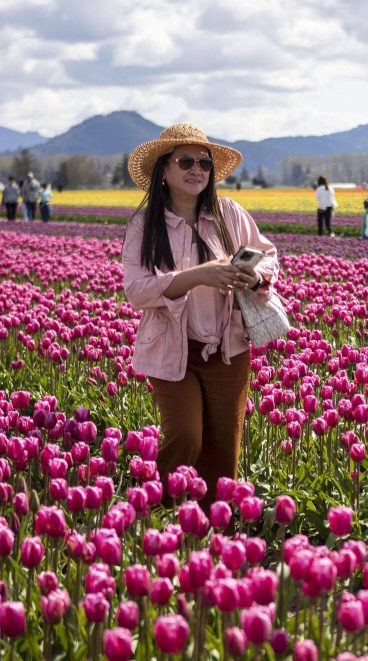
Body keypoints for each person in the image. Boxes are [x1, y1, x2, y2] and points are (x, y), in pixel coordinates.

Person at [122, 122, 278, 503]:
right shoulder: (145, 225)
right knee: (187, 437)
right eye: (186, 161)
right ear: (164, 169)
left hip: (229, 347)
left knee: (224, 448)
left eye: (204, 164)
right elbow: (137, 291)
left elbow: (269, 255)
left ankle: (212, 533)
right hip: (173, 349)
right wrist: (197, 276)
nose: (197, 170)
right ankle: (153, 509)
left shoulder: (229, 213)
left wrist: (253, 274)